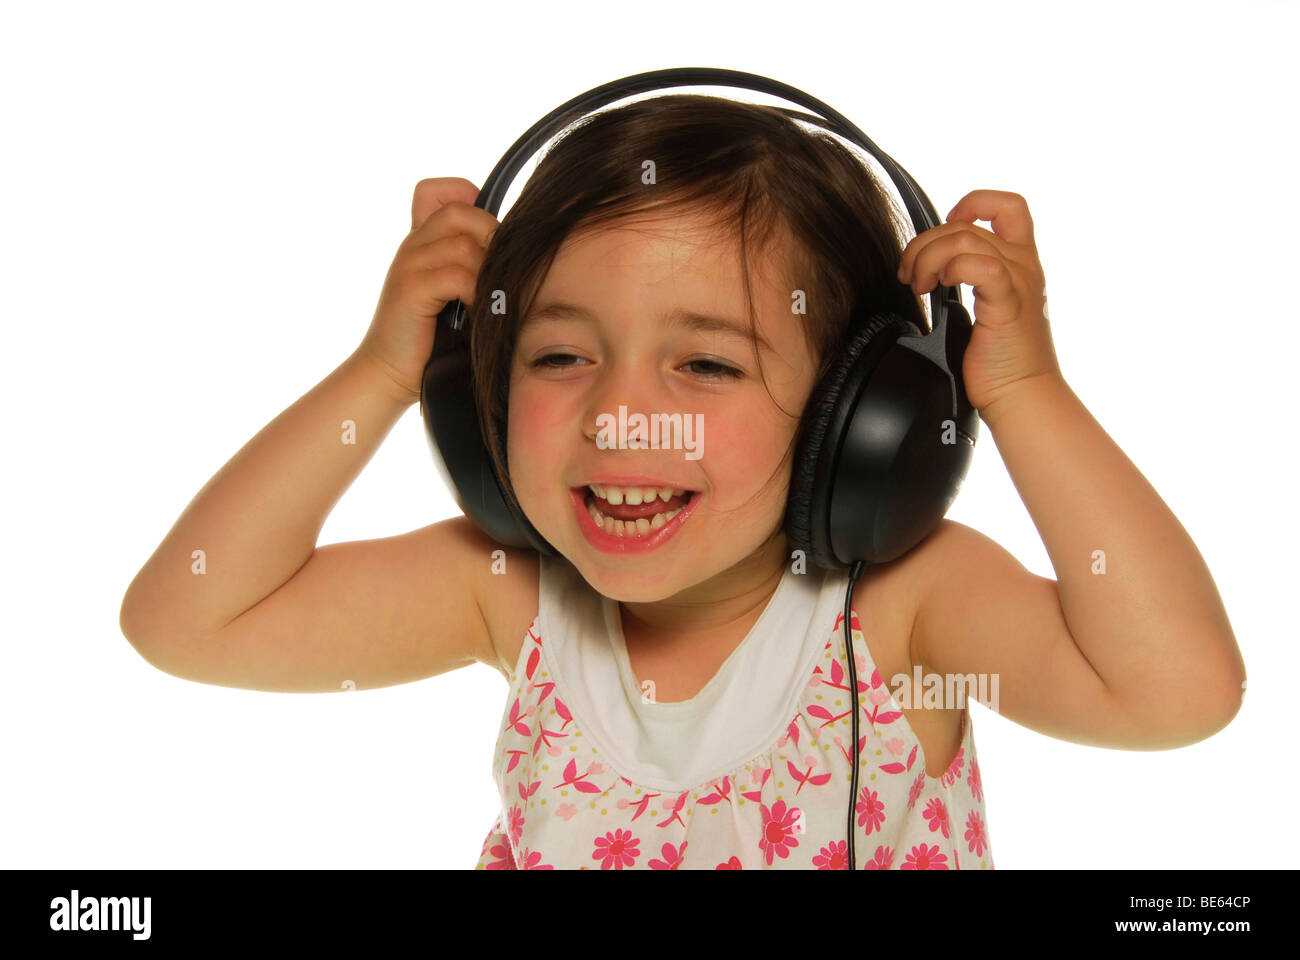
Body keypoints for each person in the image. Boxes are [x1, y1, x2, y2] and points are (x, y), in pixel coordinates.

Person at [119, 95, 1246, 870]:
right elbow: (190, 620)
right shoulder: (513, 592)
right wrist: (381, 372)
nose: (619, 416)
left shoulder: (906, 616)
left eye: (705, 363)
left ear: (863, 420)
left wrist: (1025, 390)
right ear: (483, 397)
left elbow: (1175, 692)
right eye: (559, 356)